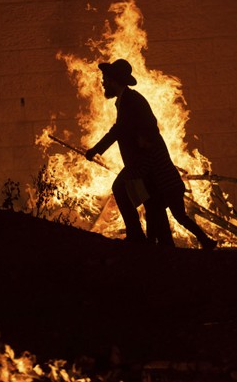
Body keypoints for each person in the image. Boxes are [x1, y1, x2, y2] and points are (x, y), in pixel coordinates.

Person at [85, 59, 217, 250]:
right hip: (143, 162)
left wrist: (96, 150)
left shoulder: (131, 101)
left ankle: (137, 235)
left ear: (115, 80)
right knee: (153, 204)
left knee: (121, 189)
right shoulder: (125, 101)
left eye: (106, 78)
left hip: (145, 162)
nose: (103, 82)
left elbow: (120, 130)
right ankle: (162, 244)